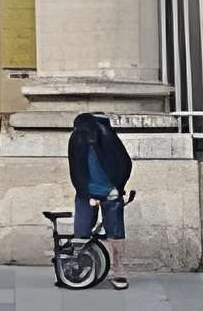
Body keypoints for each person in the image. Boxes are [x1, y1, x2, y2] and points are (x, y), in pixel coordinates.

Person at [66, 111, 133, 290]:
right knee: (82, 232)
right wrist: (86, 194)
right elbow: (76, 170)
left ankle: (118, 271)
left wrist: (117, 188)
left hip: (109, 194)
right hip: (87, 194)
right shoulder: (80, 139)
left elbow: (125, 164)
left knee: (115, 233)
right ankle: (81, 267)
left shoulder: (105, 139)